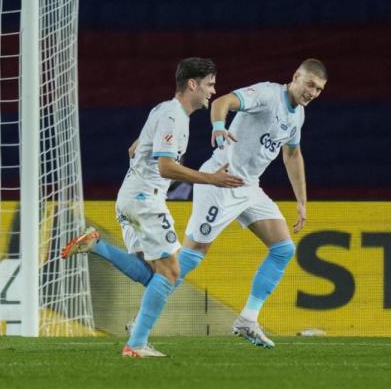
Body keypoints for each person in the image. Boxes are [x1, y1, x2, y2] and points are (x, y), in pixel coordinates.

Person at [61, 58, 242, 358]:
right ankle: (136, 344)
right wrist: (210, 179)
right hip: (145, 199)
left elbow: (134, 148)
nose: (213, 90)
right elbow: (167, 167)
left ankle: (96, 245)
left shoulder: (162, 109)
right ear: (192, 84)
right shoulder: (173, 117)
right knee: (171, 272)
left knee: (153, 275)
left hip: (131, 196)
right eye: (209, 84)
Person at [178, 59, 327, 349]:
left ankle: (247, 319)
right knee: (191, 256)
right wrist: (219, 127)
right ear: (295, 76)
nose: (313, 92)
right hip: (220, 180)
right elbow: (223, 101)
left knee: (283, 249)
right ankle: (143, 313)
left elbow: (293, 155)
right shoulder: (268, 94)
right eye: (309, 84)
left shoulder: (298, 116)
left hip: (248, 187)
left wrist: (302, 202)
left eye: (319, 89)